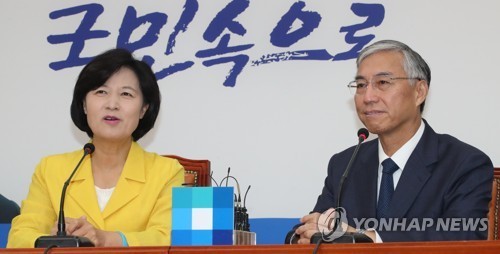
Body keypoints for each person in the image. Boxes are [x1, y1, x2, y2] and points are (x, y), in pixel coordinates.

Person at [293, 40, 493, 243]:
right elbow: (303, 231)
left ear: (419, 92)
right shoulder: (345, 164)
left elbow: (464, 236)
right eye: (361, 85)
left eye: (383, 83)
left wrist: (367, 238)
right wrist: (306, 235)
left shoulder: (464, 163)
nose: (368, 96)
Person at [7, 48, 184, 247]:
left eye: (126, 94)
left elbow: (168, 238)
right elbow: (19, 237)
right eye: (101, 92)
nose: (112, 104)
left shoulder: (167, 172)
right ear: (84, 104)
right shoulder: (51, 170)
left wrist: (105, 239)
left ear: (144, 109)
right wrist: (52, 241)